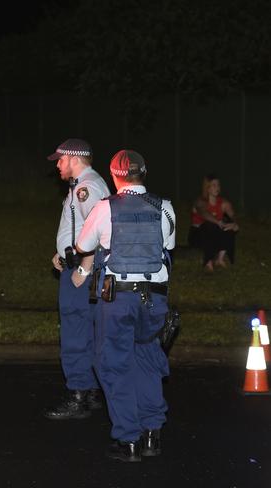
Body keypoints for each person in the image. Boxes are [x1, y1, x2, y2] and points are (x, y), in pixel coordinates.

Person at [73, 149, 176, 462]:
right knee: (147, 357)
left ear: (115, 175)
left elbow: (83, 246)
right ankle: (152, 434)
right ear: (144, 172)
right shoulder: (166, 208)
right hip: (154, 297)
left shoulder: (106, 208)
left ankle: (128, 438)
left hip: (118, 297)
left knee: (114, 364)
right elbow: (168, 247)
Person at [43, 138, 110, 420]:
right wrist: (65, 253)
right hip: (78, 265)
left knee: (74, 330)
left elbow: (99, 234)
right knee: (89, 329)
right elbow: (83, 230)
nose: (58, 164)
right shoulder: (86, 185)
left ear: (73, 158)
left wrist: (82, 269)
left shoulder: (85, 188)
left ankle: (78, 394)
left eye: (60, 159)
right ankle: (91, 391)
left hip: (83, 273)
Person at [189, 174, 238, 272]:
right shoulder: (200, 201)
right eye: (214, 185)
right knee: (209, 225)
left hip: (214, 233)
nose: (217, 188)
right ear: (207, 188)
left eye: (218, 185)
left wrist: (234, 224)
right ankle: (208, 261)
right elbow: (204, 213)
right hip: (198, 234)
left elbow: (233, 215)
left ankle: (220, 259)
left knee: (229, 227)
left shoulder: (223, 202)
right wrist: (218, 222)